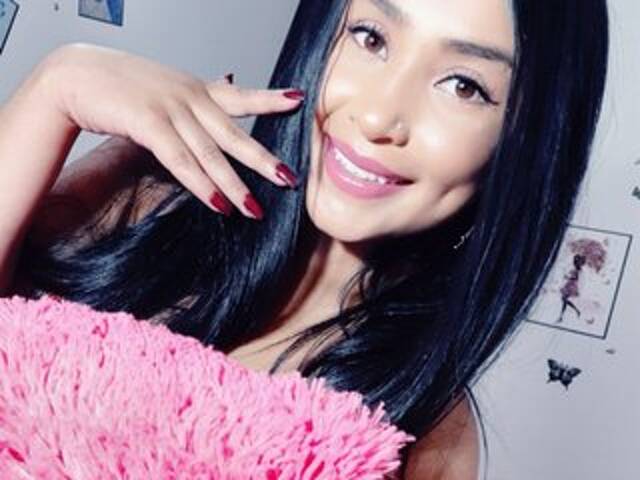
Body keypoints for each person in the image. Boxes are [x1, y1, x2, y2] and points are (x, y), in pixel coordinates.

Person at [0, 0, 609, 478]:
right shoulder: (144, 205)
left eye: (463, 86)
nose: (378, 116)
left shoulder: (425, 434)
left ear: (524, 145)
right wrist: (55, 88)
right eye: (370, 38)